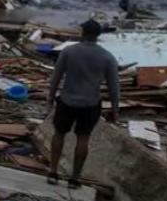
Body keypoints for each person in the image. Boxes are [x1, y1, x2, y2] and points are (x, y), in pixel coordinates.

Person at [46, 19, 120, 189]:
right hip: (90, 104)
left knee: (59, 134)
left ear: (82, 32)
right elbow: (114, 87)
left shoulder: (68, 52)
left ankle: (53, 172)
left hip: (67, 101)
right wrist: (115, 110)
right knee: (83, 138)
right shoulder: (107, 57)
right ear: (98, 35)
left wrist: (50, 98)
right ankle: (74, 179)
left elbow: (56, 77)